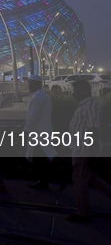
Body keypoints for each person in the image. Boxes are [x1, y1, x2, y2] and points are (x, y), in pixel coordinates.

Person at [66, 80, 111, 222]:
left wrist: (91, 155)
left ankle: (83, 213)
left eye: (75, 90)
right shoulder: (84, 106)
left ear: (83, 91)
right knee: (93, 179)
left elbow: (93, 130)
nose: (73, 93)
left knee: (79, 182)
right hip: (80, 149)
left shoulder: (90, 107)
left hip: (84, 151)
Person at [25, 74, 56, 189]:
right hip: (44, 131)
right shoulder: (44, 96)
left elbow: (33, 117)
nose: (29, 85)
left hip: (38, 134)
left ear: (36, 84)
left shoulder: (37, 97)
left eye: (30, 83)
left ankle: (43, 182)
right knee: (42, 158)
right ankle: (43, 182)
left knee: (38, 160)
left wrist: (26, 131)